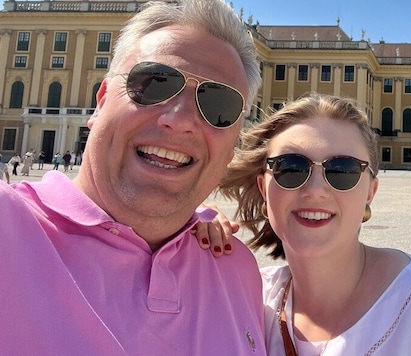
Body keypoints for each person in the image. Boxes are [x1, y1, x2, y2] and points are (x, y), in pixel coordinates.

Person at [0, 0, 266, 354]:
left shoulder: (237, 268)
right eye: (155, 83)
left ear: (235, 140)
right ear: (102, 100)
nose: (180, 119)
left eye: (219, 106)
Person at [198, 94, 411, 355]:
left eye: (343, 171)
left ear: (370, 192)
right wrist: (186, 237)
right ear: (263, 186)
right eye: (290, 167)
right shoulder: (250, 300)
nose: (315, 190)